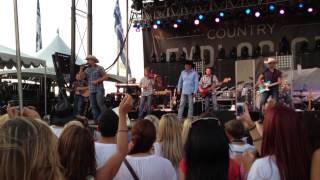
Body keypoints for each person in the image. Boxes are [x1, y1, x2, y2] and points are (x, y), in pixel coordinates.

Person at [58, 94, 132, 180]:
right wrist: (122, 114)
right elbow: (121, 152)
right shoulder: (96, 177)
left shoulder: (49, 176)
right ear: (90, 152)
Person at [240, 102, 311, 180]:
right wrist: (252, 127)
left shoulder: (261, 166)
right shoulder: (306, 162)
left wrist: (249, 169)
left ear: (269, 131)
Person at [79, 55, 107, 121]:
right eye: (87, 60)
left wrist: (97, 81)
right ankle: (96, 120)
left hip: (99, 89)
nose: (88, 61)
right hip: (91, 90)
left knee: (100, 104)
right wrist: (81, 69)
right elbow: (81, 77)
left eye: (89, 60)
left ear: (94, 61)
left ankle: (106, 118)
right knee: (93, 106)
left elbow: (106, 77)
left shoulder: (100, 68)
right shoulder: (87, 70)